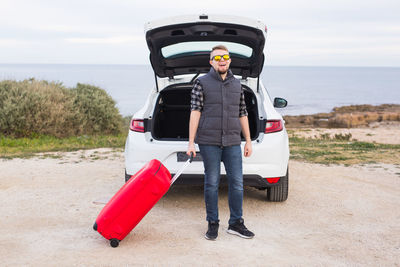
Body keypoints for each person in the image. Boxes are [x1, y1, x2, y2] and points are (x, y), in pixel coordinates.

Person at [186, 45, 255, 240]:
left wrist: (248, 140)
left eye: (225, 56)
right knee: (212, 183)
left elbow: (243, 113)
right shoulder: (201, 83)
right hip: (209, 141)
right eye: (217, 58)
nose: (221, 60)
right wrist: (191, 142)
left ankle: (235, 223)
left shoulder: (237, 85)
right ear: (211, 62)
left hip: (233, 140)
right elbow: (195, 112)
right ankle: (213, 224)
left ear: (230, 60)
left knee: (237, 184)